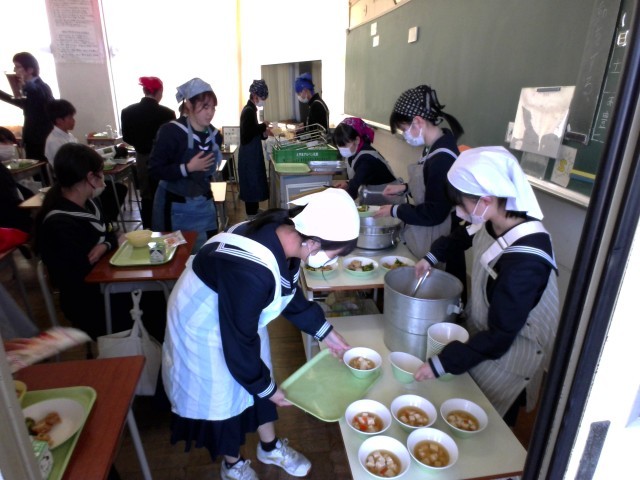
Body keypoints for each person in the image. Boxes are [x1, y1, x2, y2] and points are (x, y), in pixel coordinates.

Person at [163, 187, 358, 480]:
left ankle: (269, 447)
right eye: (335, 254)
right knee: (225, 394)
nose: (333, 261)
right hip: (203, 323)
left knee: (258, 374)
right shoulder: (251, 271)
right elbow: (238, 342)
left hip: (239, 312)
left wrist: (325, 333)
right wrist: (267, 389)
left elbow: (286, 292)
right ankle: (233, 464)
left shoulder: (285, 234)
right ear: (314, 242)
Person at [413, 146, 560, 426]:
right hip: (484, 335)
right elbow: (463, 236)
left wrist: (441, 363)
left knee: (493, 425)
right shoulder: (494, 220)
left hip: (511, 353)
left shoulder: (526, 262)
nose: (460, 211)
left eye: (462, 204)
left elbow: (500, 337)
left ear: (486, 199)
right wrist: (431, 257)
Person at [34, 143, 165, 341]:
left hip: (108, 280)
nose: (103, 178)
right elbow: (79, 274)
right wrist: (109, 242)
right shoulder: (59, 224)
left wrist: (106, 245)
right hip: (89, 301)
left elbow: (111, 233)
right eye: (100, 172)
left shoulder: (89, 203)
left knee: (159, 290)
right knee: (158, 300)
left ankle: (154, 352)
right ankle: (146, 355)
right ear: (90, 177)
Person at [375, 84, 467, 300]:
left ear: (418, 121)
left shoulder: (442, 157)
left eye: (403, 128)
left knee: (437, 300)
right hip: (431, 236)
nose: (404, 135)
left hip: (440, 239)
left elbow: (434, 212)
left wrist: (396, 211)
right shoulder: (434, 146)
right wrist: (405, 187)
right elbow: (433, 186)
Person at [150, 78, 221, 251]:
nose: (210, 113)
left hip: (203, 203)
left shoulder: (214, 135)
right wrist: (187, 168)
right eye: (205, 107)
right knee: (172, 254)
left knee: (205, 251)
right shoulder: (171, 131)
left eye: (213, 108)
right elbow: (154, 169)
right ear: (189, 104)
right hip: (173, 206)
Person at [121, 76, 176, 228]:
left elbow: (126, 137)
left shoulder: (127, 112)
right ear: (160, 91)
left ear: (144, 90)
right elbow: (172, 139)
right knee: (164, 192)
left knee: (146, 195)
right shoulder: (167, 113)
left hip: (142, 158)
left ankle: (148, 229)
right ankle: (165, 228)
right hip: (164, 160)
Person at [0, 52, 54, 161]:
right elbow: (24, 104)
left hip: (42, 138)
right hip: (32, 137)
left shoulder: (41, 87)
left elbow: (38, 93)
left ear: (30, 69)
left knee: (42, 167)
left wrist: (26, 85)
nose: (15, 70)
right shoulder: (26, 88)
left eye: (18, 66)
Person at [332, 117, 398, 200]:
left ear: (357, 140)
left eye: (344, 145)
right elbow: (358, 178)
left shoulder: (367, 159)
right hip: (375, 197)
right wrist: (348, 183)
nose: (341, 149)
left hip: (390, 200)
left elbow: (353, 191)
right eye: (338, 145)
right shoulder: (353, 152)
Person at [238, 79, 271, 220]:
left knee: (255, 182)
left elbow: (253, 132)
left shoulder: (252, 110)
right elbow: (247, 134)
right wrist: (263, 126)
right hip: (248, 156)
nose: (263, 101)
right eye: (262, 98)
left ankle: (255, 210)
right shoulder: (248, 111)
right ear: (255, 95)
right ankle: (251, 216)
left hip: (252, 154)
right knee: (251, 184)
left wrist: (263, 133)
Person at [0, 127, 33, 234]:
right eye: (4, 142)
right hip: (10, 225)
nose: (9, 146)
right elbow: (10, 202)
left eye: (10, 143)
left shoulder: (3, 169)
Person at [44, 99, 78, 167]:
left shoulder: (70, 136)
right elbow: (64, 165)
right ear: (59, 121)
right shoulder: (53, 141)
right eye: (70, 118)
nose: (74, 120)